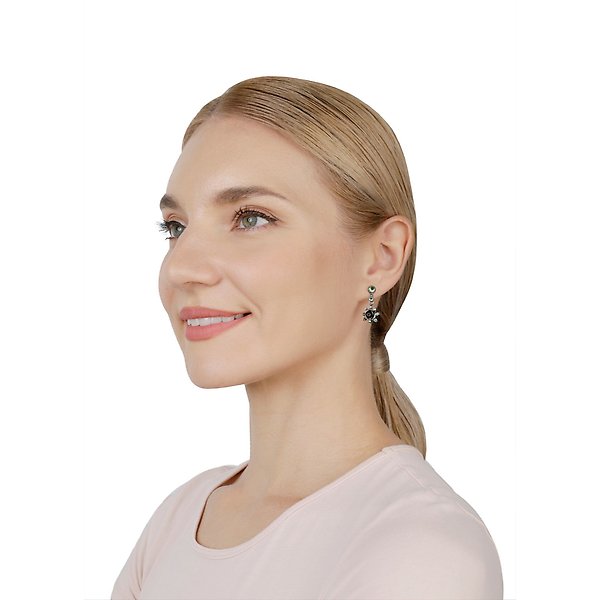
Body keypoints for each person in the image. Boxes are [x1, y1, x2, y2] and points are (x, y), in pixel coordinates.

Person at [111, 75, 503, 600]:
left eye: (251, 218)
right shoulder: (181, 517)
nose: (181, 267)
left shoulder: (421, 547)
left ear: (381, 257)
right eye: (176, 227)